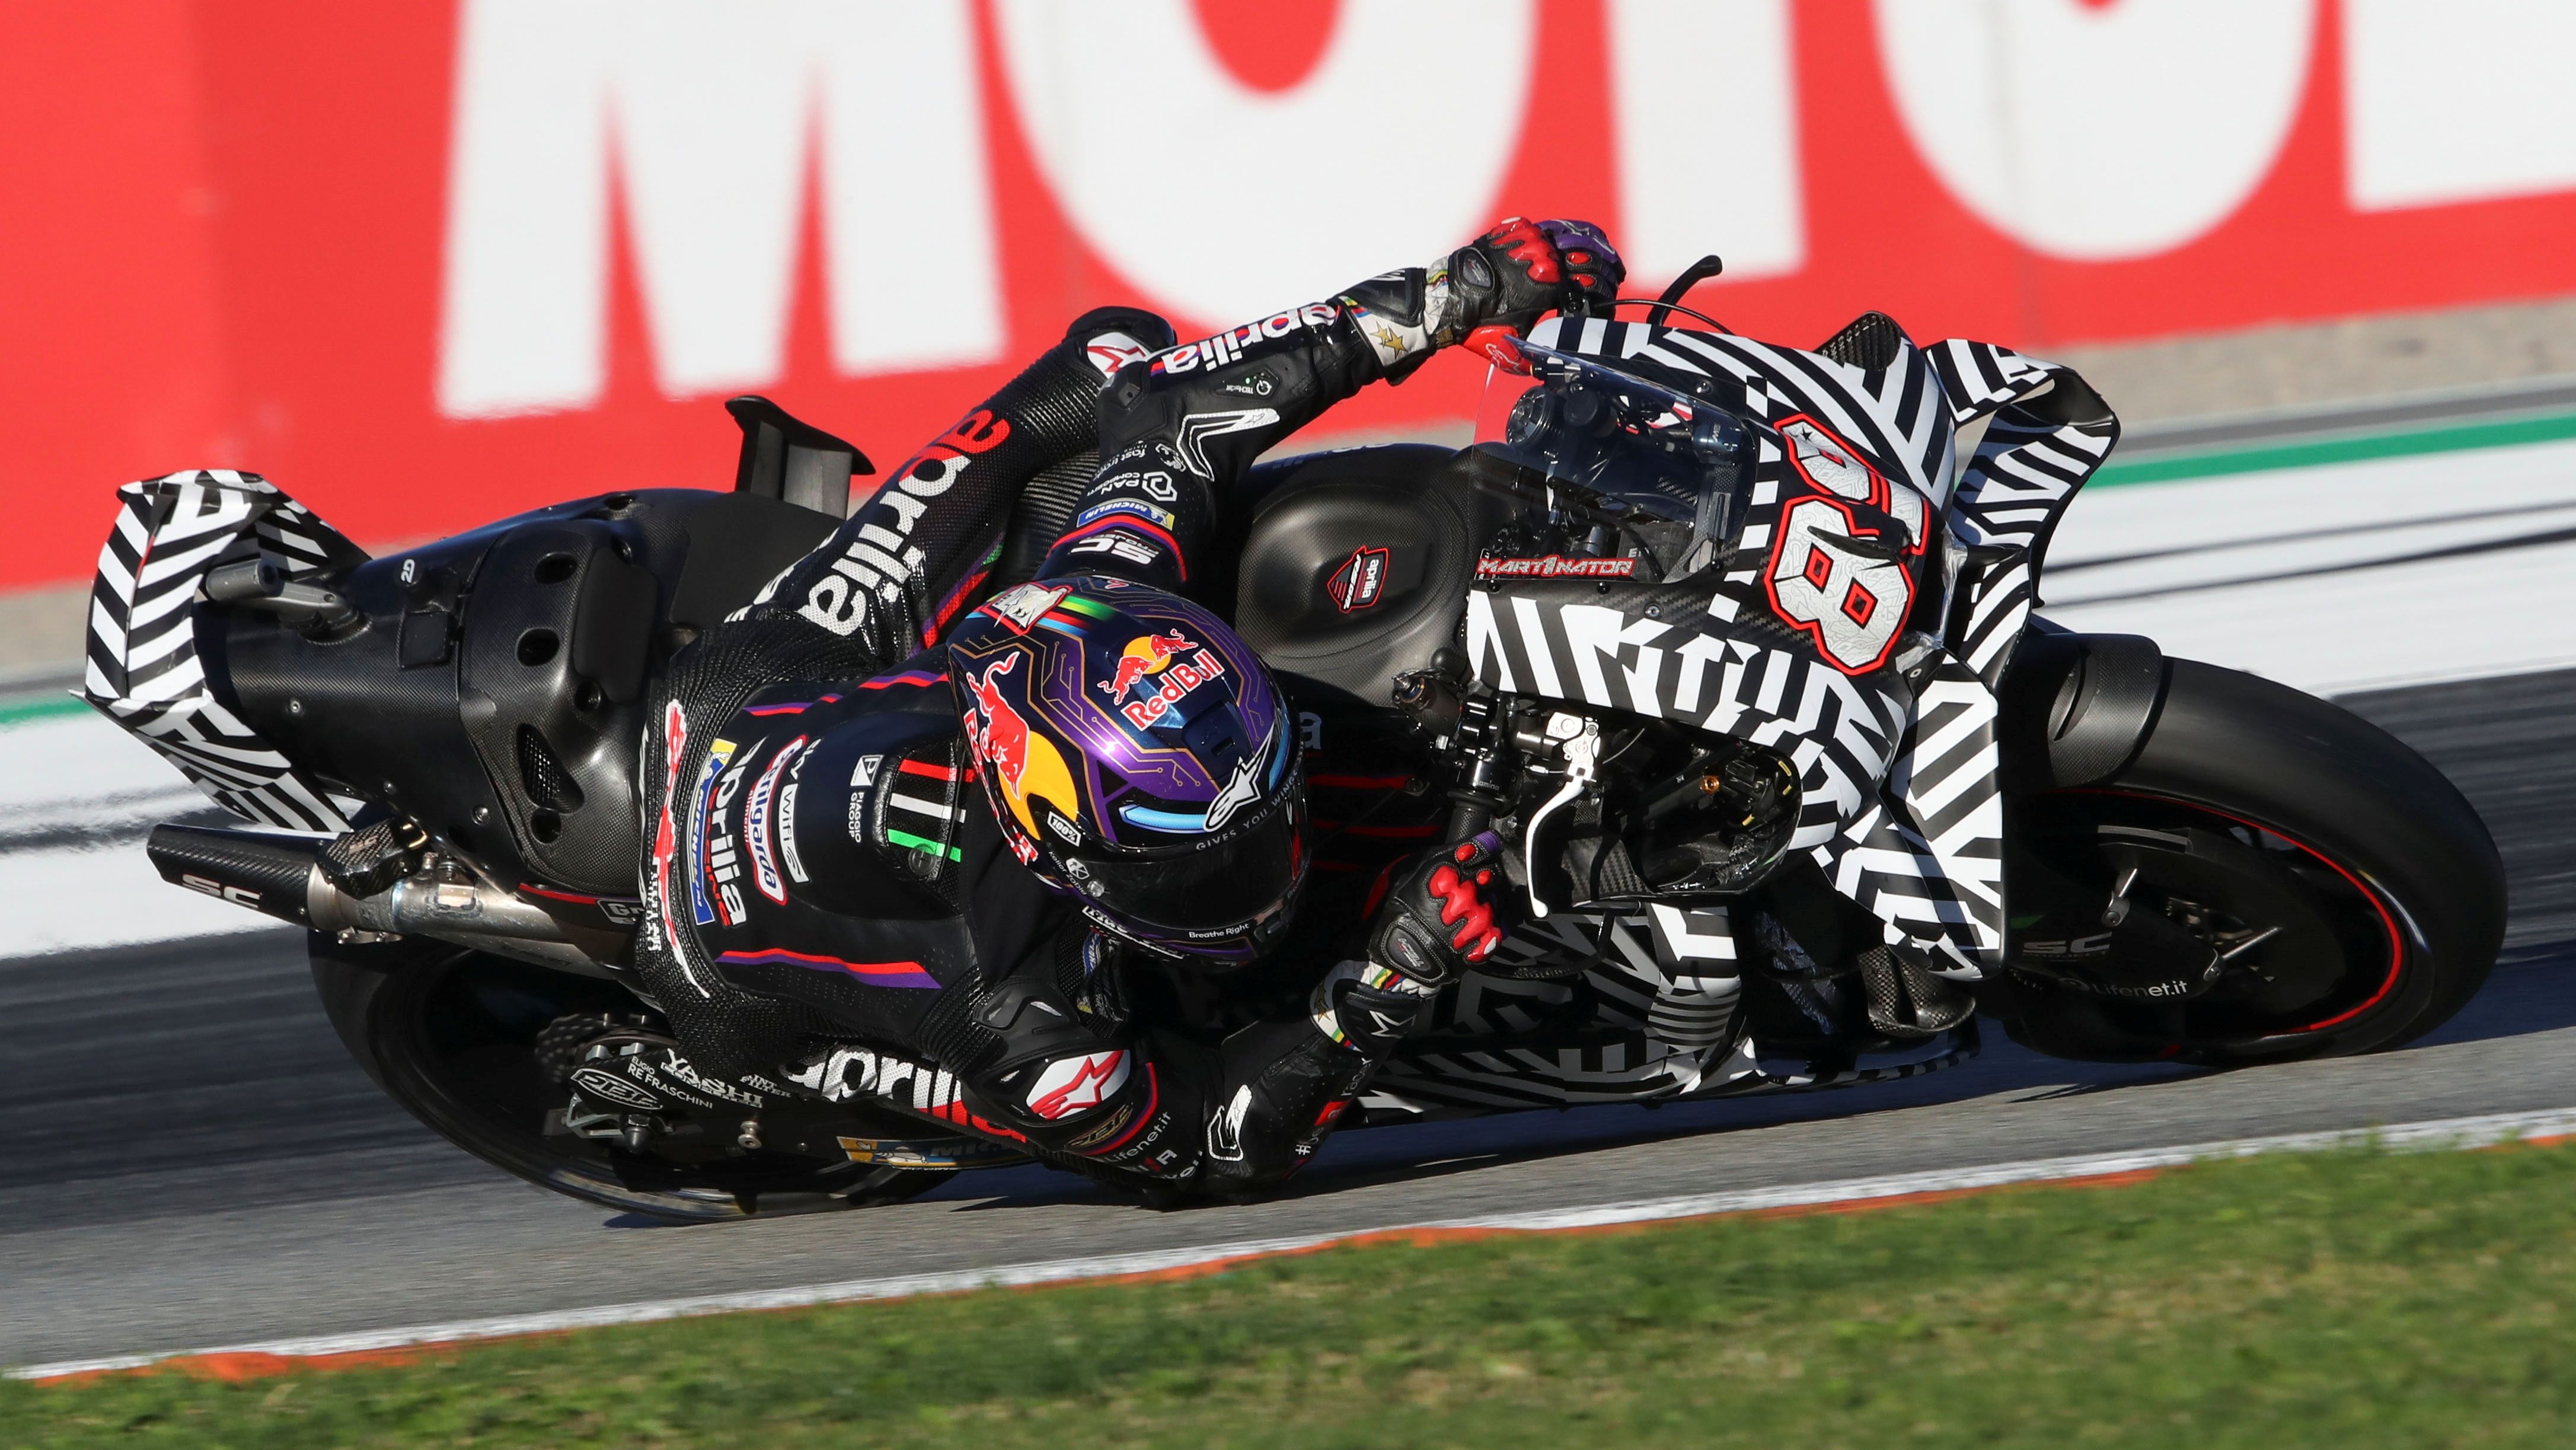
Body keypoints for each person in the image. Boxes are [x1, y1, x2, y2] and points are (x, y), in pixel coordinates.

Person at [592, 219, 1622, 1198]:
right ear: (1070, 865)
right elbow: (1217, 1150)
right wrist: (1390, 977)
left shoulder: (1110, 583)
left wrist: (1450, 295)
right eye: (1199, 865)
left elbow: (1176, 407)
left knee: (1114, 358)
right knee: (1026, 1104)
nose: (1258, 872)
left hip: (753, 690)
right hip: (714, 957)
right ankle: (749, 1085)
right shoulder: (1021, 1010)